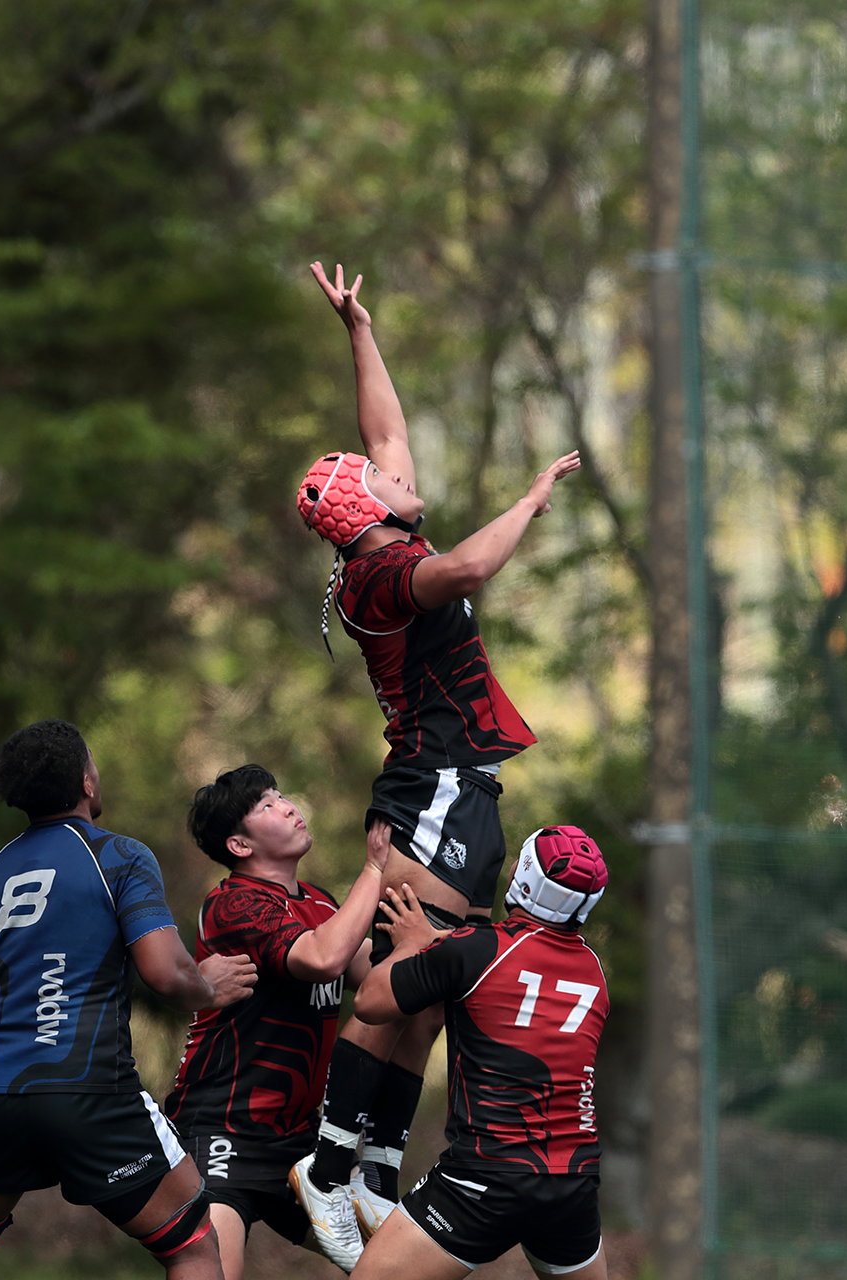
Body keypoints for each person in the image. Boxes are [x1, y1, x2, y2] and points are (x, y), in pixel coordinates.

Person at [291, 261, 581, 1262]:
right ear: (363, 508)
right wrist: (532, 496)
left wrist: (359, 330)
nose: (399, 465)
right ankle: (328, 1163)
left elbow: (384, 435)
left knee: (428, 985)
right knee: (404, 973)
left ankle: (374, 1170)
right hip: (433, 783)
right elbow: (472, 565)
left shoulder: (382, 536)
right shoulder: (382, 573)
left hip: (460, 783)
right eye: (381, 476)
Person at [0, 720, 258, 1280]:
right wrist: (209, 987)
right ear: (86, 781)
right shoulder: (120, 856)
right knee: (192, 1247)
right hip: (88, 1093)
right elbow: (165, 973)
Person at [348, 826, 611, 1280]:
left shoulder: (475, 949)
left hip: (484, 1177)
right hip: (573, 1182)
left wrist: (411, 944)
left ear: (522, 878)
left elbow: (369, 1003)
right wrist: (439, 942)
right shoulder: (593, 971)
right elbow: (513, 971)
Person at [162, 765, 391, 1279]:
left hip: (300, 1143)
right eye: (266, 805)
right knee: (213, 1272)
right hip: (225, 1131)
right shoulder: (233, 902)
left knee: (398, 1262)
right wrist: (374, 869)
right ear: (240, 845)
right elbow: (323, 959)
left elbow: (373, 976)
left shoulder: (319, 902)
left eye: (281, 796)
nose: (287, 806)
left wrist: (438, 944)